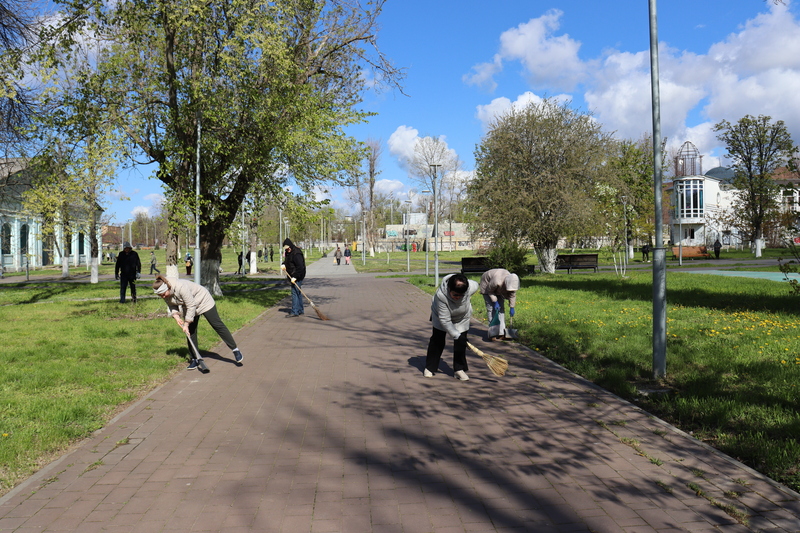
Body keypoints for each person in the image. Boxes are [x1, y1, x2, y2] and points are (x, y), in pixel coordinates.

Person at [152, 275, 244, 369]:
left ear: (168, 288)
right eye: (161, 295)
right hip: (189, 306)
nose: (163, 296)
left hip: (203, 301)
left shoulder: (180, 287)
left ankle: (235, 349)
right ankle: (195, 359)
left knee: (217, 325)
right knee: (190, 332)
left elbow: (191, 305)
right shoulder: (164, 292)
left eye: (163, 294)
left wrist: (186, 323)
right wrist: (176, 317)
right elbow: (172, 305)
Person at [425, 273, 480, 381]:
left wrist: (459, 337)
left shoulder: (470, 287)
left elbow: (476, 284)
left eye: (461, 295)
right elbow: (445, 320)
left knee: (460, 344)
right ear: (449, 289)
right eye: (455, 294)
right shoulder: (441, 296)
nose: (458, 297)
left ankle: (459, 369)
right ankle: (430, 367)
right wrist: (456, 335)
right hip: (441, 317)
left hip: (462, 318)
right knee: (437, 341)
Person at [479, 268, 520, 342]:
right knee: (491, 309)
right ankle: (493, 333)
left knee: (501, 310)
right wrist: (495, 302)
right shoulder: (497, 281)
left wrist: (512, 307)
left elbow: (512, 295)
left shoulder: (512, 280)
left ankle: (501, 333)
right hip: (487, 286)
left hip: (499, 288)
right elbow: (490, 291)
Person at [281, 238, 306, 317]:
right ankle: (300, 309)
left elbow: (300, 267)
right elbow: (288, 261)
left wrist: (295, 277)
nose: (287, 250)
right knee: (297, 292)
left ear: (290, 246)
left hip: (298, 275)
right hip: (292, 275)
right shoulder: (288, 253)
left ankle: (295, 311)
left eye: (288, 248)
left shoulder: (296, 254)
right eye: (286, 249)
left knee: (294, 292)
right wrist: (283, 264)